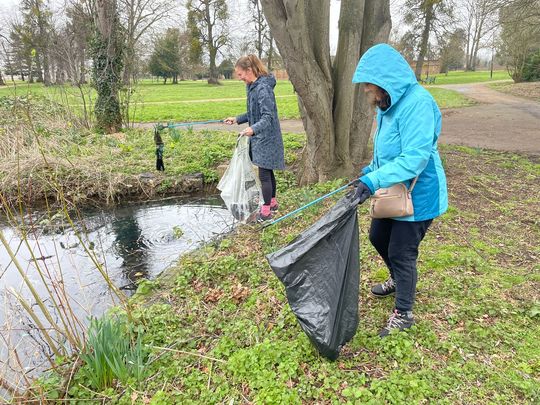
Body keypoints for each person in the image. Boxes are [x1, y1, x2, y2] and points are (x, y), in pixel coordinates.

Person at [352, 44, 448, 337]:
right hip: (394, 192)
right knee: (377, 236)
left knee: (402, 252)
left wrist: (372, 182)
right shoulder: (387, 105)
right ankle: (397, 278)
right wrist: (368, 172)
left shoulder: (417, 103)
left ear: (386, 81)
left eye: (371, 88)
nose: (369, 93)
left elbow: (414, 158)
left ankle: (404, 313)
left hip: (418, 195)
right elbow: (387, 153)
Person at [224, 55, 285, 222]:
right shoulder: (252, 87)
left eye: (240, 74)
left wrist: (253, 129)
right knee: (268, 170)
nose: (239, 78)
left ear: (249, 70)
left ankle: (265, 212)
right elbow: (253, 113)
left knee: (264, 174)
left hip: (267, 137)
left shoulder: (263, 89)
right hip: (260, 136)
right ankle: (272, 202)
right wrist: (237, 119)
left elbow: (268, 117)